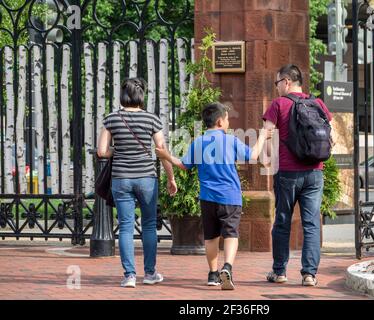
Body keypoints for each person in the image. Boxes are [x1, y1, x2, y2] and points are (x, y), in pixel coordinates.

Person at [156, 102, 272, 290]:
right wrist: (262, 137)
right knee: (231, 234)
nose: (228, 122)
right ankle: (227, 267)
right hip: (230, 197)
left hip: (207, 198)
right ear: (219, 121)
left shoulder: (199, 142)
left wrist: (166, 156)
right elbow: (253, 156)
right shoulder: (230, 140)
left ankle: (212, 274)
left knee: (211, 237)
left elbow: (184, 165)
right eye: (227, 119)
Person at [97, 77, 177, 288]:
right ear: (142, 95)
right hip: (146, 178)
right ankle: (149, 274)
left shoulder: (111, 119)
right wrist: (171, 177)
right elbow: (162, 152)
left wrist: (119, 150)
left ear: (123, 94)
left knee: (125, 226)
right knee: (149, 225)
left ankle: (129, 276)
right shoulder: (152, 119)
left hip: (121, 178)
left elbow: (102, 152)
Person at [263, 64, 333, 287]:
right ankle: (309, 274)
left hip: (288, 173)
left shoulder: (278, 104)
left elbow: (266, 134)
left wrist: (262, 156)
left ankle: (279, 271)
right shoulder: (318, 103)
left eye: (277, 83)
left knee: (282, 220)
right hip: (315, 172)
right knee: (311, 223)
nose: (276, 88)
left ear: (286, 82)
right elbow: (333, 138)